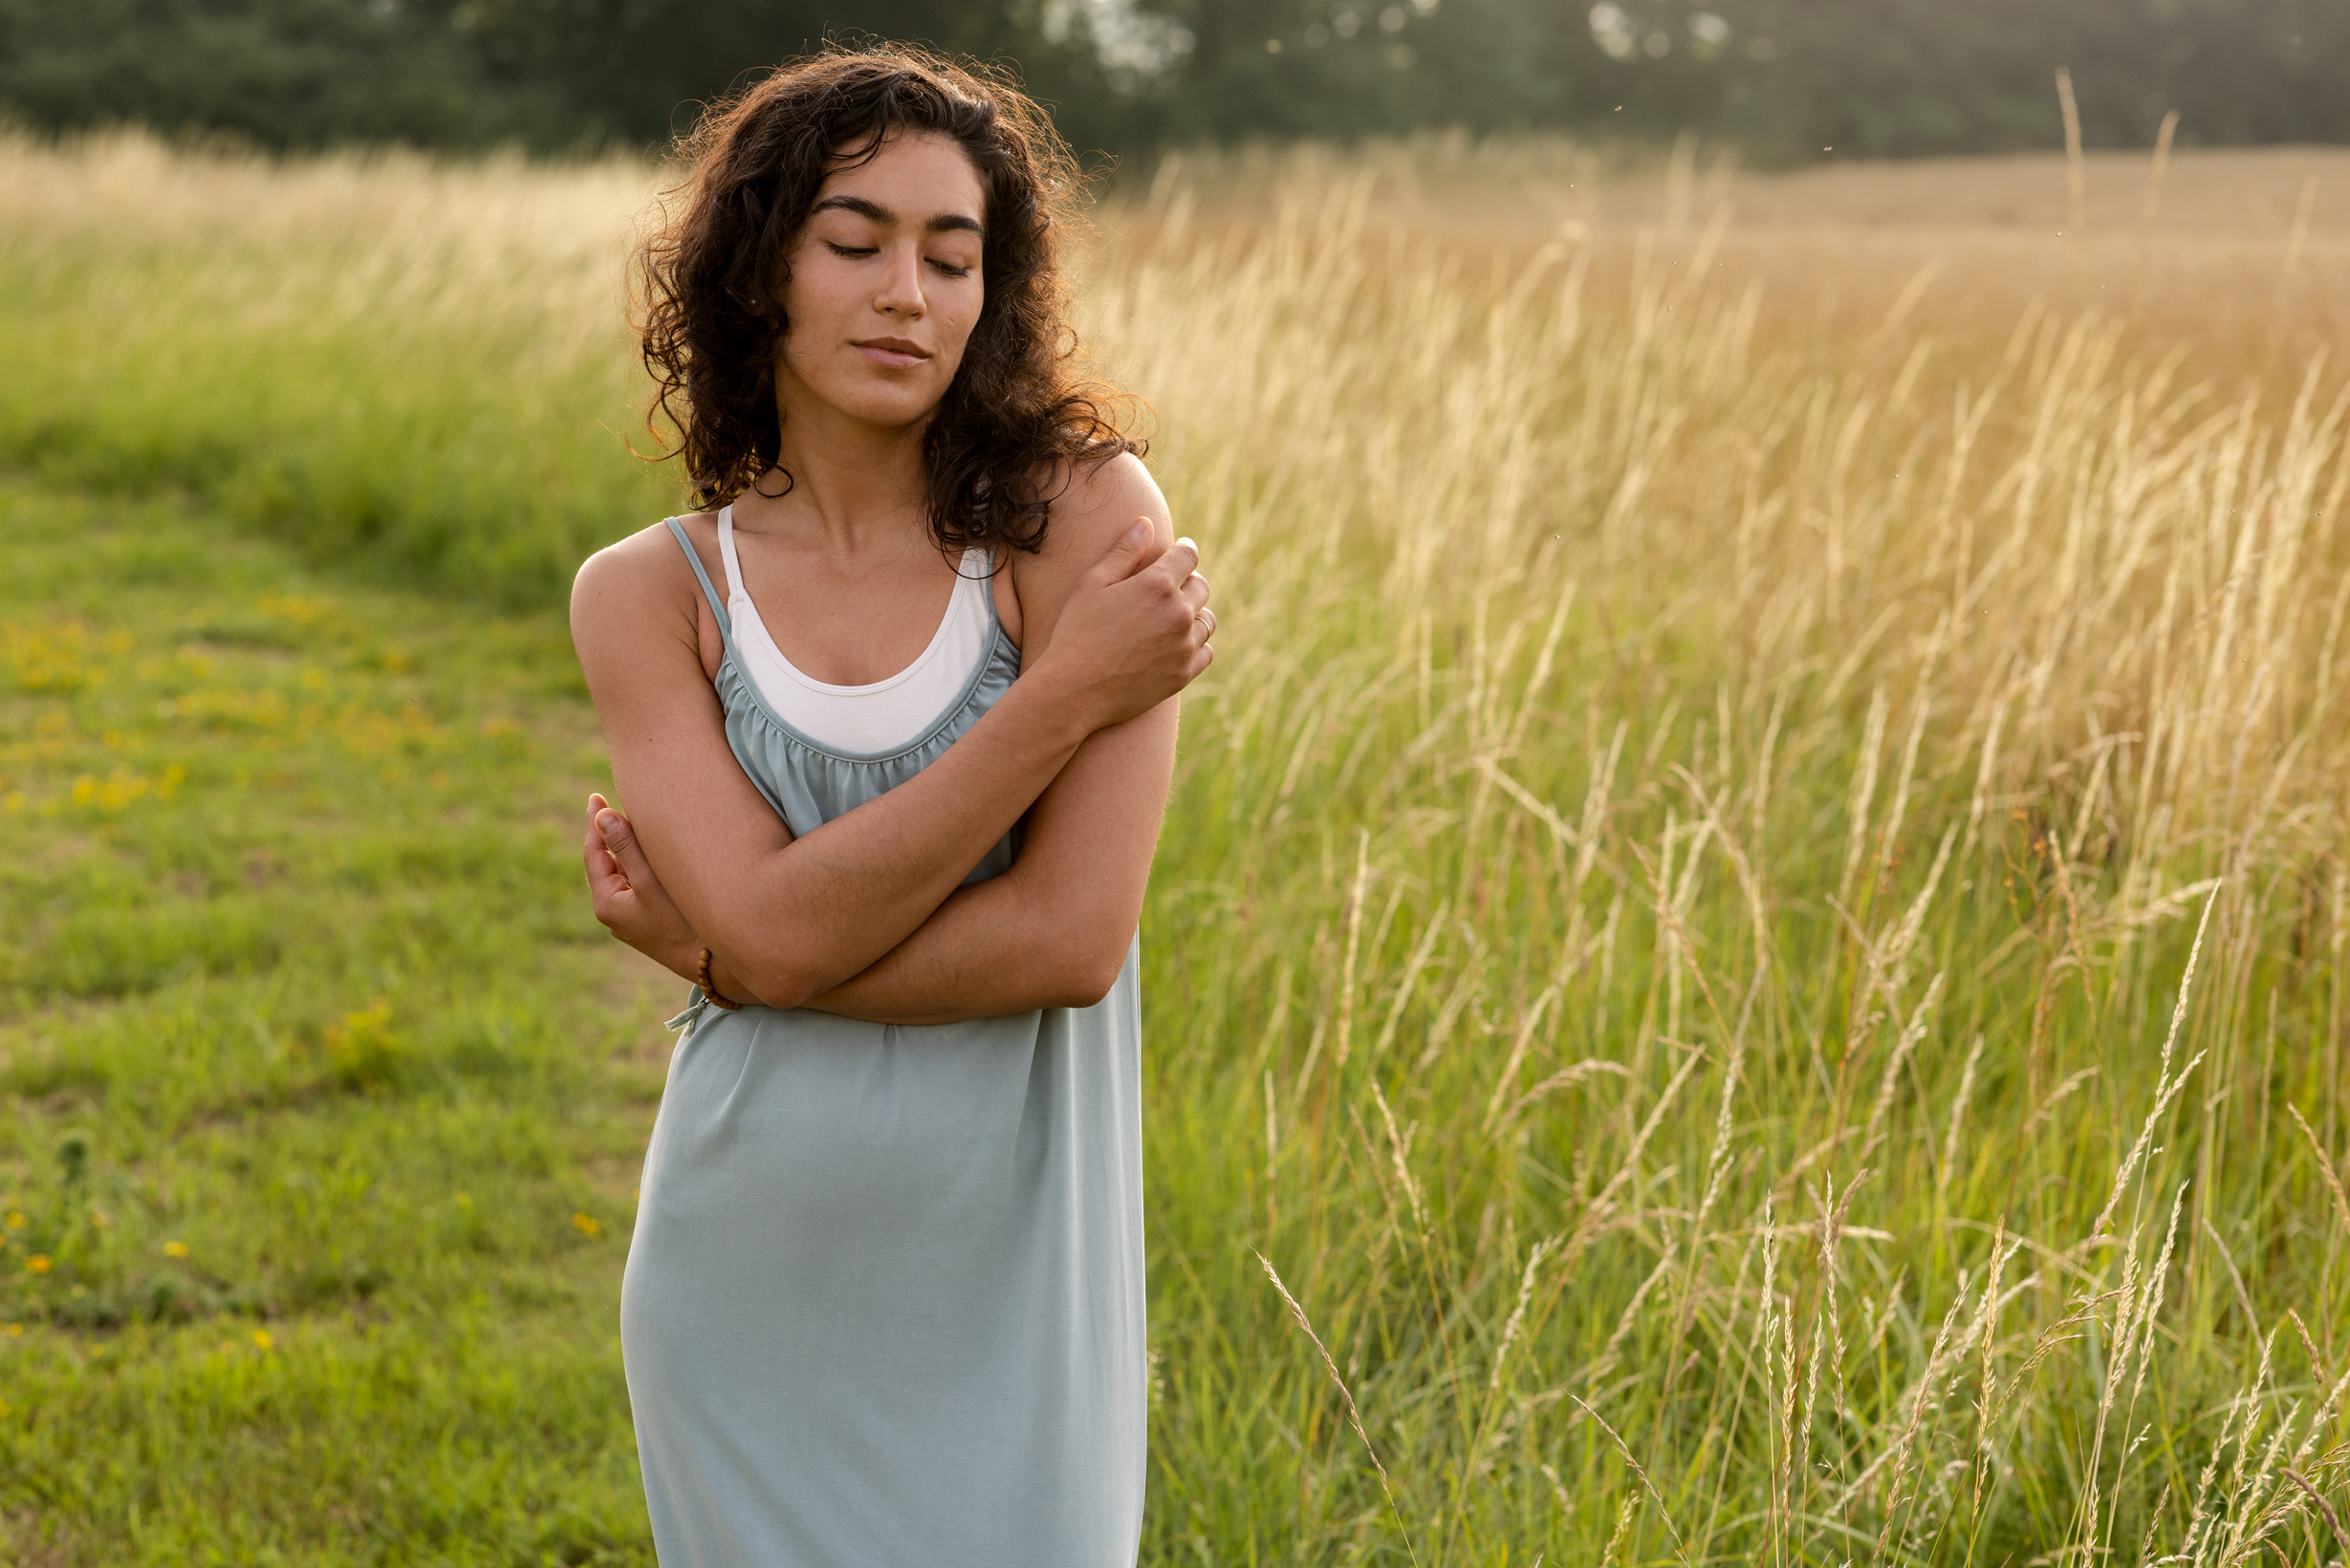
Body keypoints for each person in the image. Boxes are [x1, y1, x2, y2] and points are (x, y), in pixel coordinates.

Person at [565, 46, 1212, 1568]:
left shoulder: (1084, 522)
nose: (906, 293)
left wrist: (739, 952)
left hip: (1018, 1290)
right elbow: (775, 944)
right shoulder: (649, 594)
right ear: (758, 275)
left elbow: (1068, 943)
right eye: (853, 242)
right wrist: (1062, 700)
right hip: (745, 1282)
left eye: (951, 253)